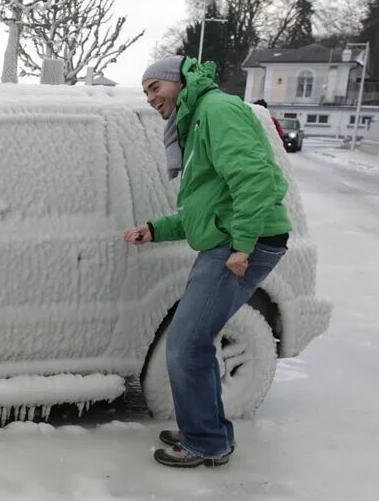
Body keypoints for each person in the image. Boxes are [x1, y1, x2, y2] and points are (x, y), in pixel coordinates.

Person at [124, 55, 291, 468]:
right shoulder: (198, 118)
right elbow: (208, 205)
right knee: (193, 343)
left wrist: (243, 247)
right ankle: (208, 431)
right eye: (145, 91)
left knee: (186, 345)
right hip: (231, 238)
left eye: (154, 87)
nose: (150, 98)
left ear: (179, 82)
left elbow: (253, 178)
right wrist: (156, 229)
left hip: (240, 243)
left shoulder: (216, 110)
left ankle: (206, 442)